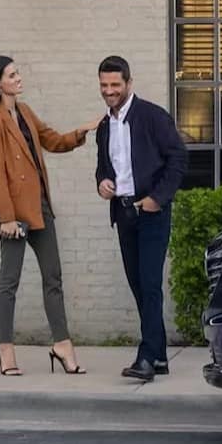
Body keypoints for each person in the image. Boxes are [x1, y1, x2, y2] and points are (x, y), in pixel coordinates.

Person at [0, 55, 101, 376]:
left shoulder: (25, 112)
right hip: (14, 214)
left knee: (53, 277)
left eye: (18, 73)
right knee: (9, 282)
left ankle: (62, 344)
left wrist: (80, 132)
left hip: (41, 207)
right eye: (12, 74)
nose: (19, 78)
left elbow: (53, 141)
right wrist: (5, 217)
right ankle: (5, 351)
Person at [93, 56, 187, 382]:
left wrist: (157, 199)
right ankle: (159, 355)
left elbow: (178, 158)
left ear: (128, 83)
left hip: (152, 213)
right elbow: (105, 167)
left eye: (115, 85)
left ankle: (146, 358)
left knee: (149, 284)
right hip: (123, 212)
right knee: (138, 286)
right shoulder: (104, 126)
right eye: (104, 86)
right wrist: (102, 182)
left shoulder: (152, 116)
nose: (109, 91)